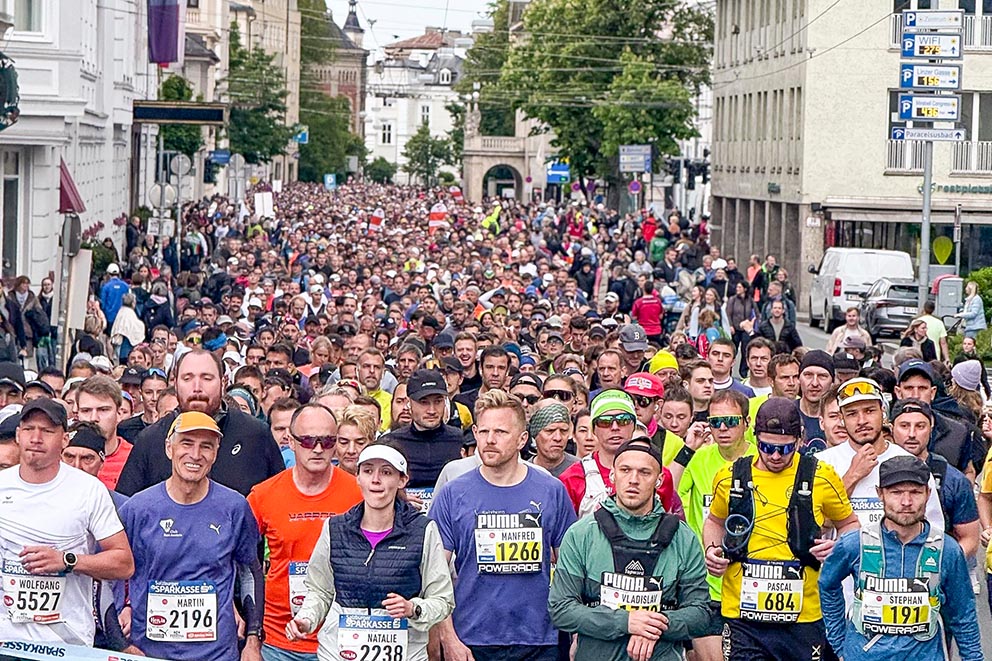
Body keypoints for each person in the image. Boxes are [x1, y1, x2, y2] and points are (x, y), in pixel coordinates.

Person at [703, 397, 859, 660]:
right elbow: (715, 521)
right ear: (754, 438)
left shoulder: (822, 476)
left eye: (785, 449)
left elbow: (850, 524)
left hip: (802, 615)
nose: (775, 456)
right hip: (743, 614)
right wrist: (712, 549)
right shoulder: (729, 476)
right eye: (766, 447)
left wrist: (837, 548)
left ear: (799, 440)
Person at [430, 390, 577, 661]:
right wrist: (447, 636)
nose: (490, 440)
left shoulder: (551, 490)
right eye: (483, 431)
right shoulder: (454, 493)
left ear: (523, 439)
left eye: (500, 432)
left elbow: (573, 569)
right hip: (473, 639)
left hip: (539, 639)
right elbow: (434, 575)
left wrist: (576, 634)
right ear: (473, 432)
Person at [285, 443, 454, 661]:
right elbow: (320, 591)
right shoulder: (335, 528)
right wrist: (306, 620)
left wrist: (413, 608)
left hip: (405, 653)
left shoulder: (423, 530)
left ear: (402, 480)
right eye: (367, 471)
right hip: (338, 653)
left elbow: (442, 600)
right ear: (357, 477)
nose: (375, 480)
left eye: (386, 472)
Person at [119, 411, 265, 661]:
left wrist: (253, 639)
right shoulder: (137, 509)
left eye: (206, 447)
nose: (196, 455)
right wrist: (122, 643)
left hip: (216, 653)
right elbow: (108, 575)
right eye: (186, 443)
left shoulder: (234, 507)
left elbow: (250, 571)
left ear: (216, 453)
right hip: (149, 651)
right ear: (169, 448)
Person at [548, 439, 711, 661]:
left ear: (659, 479)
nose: (633, 480)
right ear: (613, 475)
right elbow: (561, 609)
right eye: (625, 470)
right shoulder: (581, 534)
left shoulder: (683, 538)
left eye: (644, 472)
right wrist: (626, 622)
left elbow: (700, 614)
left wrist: (652, 625)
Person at [819, 455, 982, 661]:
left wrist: (973, 658)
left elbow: (963, 614)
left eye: (915, 493)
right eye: (896, 493)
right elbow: (827, 584)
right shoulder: (854, 543)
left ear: (928, 493)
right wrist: (839, 642)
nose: (906, 502)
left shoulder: (946, 549)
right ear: (880, 494)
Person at [0, 399, 134, 646]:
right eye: (29, 429)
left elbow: (123, 564)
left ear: (64, 439)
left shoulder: (88, 490)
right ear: (18, 435)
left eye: (47, 431)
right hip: (7, 640)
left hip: (66, 643)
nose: (36, 438)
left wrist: (67, 561)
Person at [248, 403, 364, 661]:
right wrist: (251, 636)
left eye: (327, 440)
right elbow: (241, 562)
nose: (319, 449)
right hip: (279, 639)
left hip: (342, 637)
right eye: (309, 440)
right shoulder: (263, 495)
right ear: (291, 441)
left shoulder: (359, 493)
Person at [117, 349, 284, 497]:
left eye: (207, 378)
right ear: (175, 385)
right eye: (187, 378)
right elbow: (127, 509)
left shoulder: (255, 434)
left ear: (223, 382)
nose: (197, 387)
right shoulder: (151, 439)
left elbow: (278, 501)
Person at [672, 388, 755, 661]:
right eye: (715, 421)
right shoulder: (699, 460)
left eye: (730, 421)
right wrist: (689, 448)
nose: (722, 428)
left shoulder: (762, 459)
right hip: (705, 583)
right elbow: (666, 493)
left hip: (751, 582)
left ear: (746, 423)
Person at [888, 398, 979, 566]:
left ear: (931, 428)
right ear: (892, 428)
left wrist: (942, 567)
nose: (912, 434)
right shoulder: (873, 471)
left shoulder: (953, 480)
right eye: (905, 426)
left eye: (920, 426)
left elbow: (970, 538)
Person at [559, 389, 676, 517]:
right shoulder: (571, 478)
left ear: (633, 425)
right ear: (594, 430)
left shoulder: (658, 474)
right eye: (605, 421)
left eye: (623, 420)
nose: (614, 427)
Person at [380, 369, 464, 495]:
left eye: (438, 401)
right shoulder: (391, 443)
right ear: (409, 403)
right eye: (424, 402)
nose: (432, 410)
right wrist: (399, 498)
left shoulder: (460, 440)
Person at [75, 375, 132, 491]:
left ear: (119, 414)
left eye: (103, 410)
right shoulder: (65, 458)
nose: (93, 418)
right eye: (86, 411)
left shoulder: (134, 457)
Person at [528, 399, 578, 477]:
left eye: (563, 431)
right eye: (550, 431)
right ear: (535, 433)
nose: (558, 438)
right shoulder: (522, 474)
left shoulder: (581, 471)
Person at [797, 350, 834, 448]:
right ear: (799, 379)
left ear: (832, 382)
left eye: (822, 376)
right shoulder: (788, 412)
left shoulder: (840, 419)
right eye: (808, 375)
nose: (814, 383)